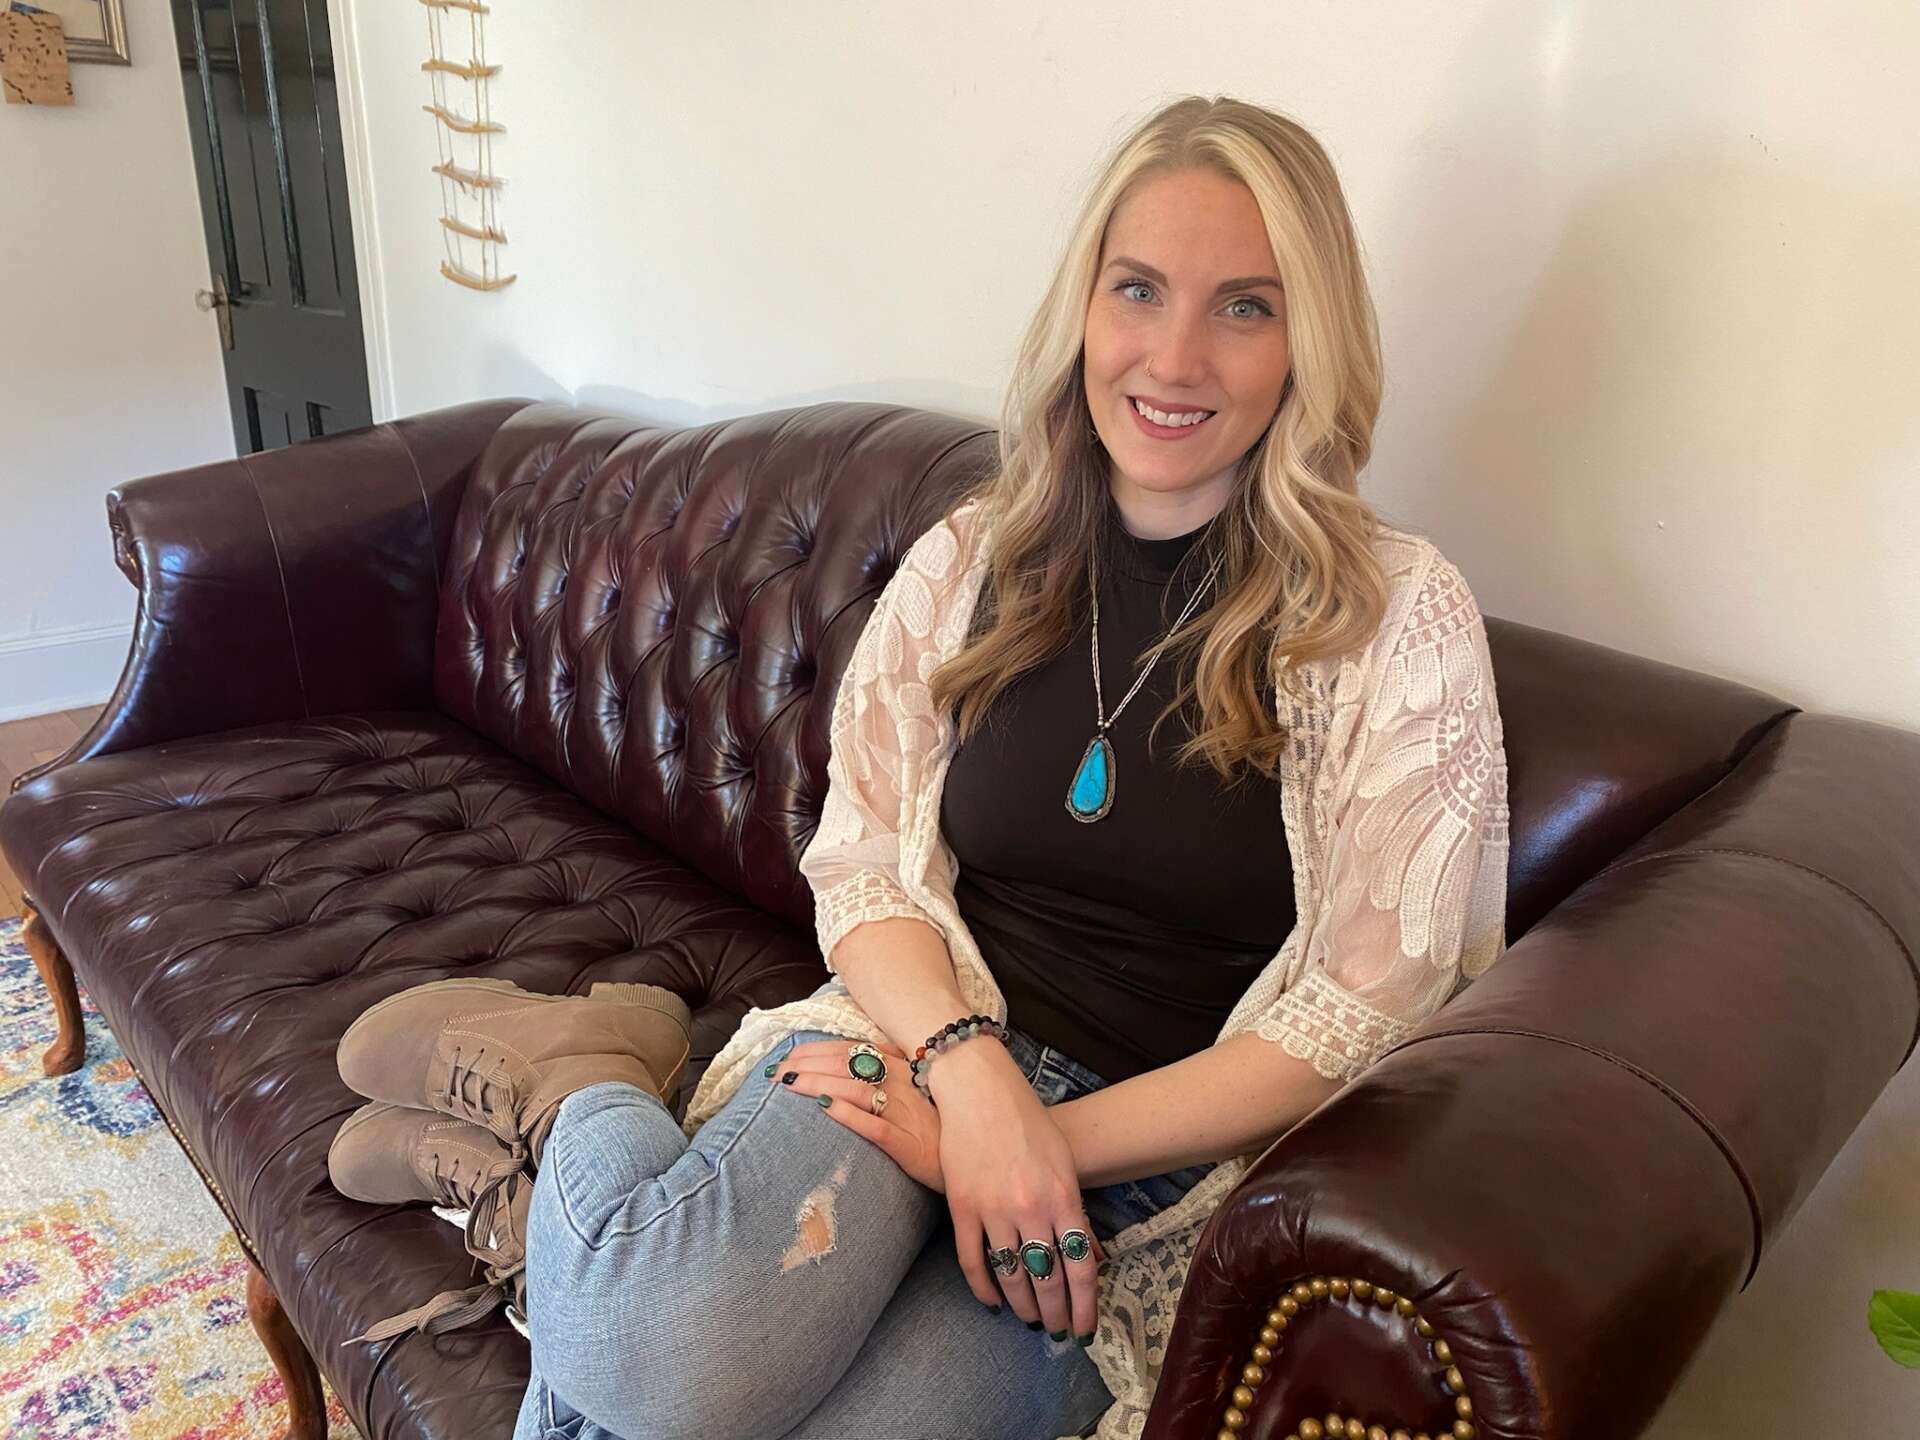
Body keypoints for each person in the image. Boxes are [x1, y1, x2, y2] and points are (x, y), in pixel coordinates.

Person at [323, 93, 1511, 1440]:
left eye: (1247, 306)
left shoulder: (1393, 617)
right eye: (1138, 289)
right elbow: (863, 862)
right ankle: (580, 1082)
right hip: (917, 1045)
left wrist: (1029, 1146)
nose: (1175, 356)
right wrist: (970, 1075)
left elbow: (1359, 1016)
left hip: (1147, 1164)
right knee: (667, 1363)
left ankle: (560, 1181)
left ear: (1313, 339)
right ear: (1084, 308)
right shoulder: (970, 559)